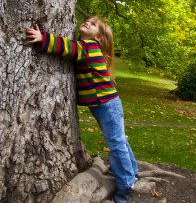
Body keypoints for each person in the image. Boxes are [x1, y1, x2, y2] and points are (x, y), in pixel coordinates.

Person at [25, 16, 138, 203]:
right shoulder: (89, 48)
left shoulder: (89, 47)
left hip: (106, 105)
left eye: (93, 25)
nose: (87, 23)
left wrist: (42, 38)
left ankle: (125, 184)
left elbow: (68, 47)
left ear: (99, 38)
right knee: (119, 141)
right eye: (87, 20)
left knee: (116, 143)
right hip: (106, 104)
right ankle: (131, 171)